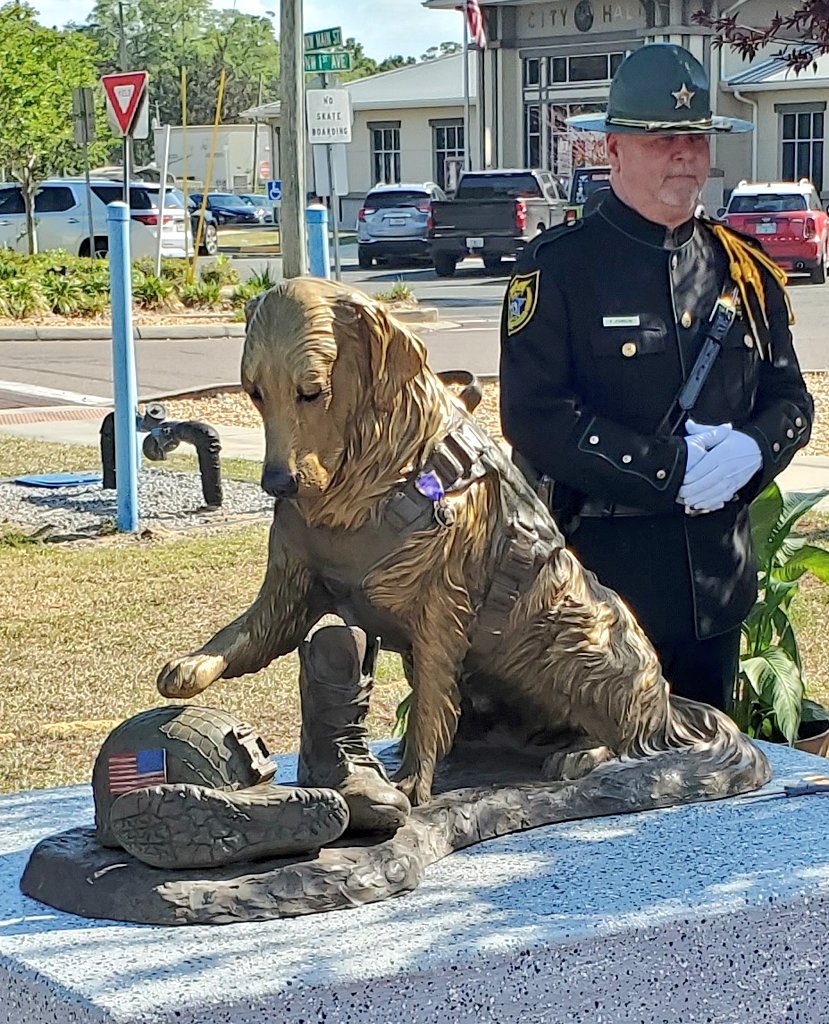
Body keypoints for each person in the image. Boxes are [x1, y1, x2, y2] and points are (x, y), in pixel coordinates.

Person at [499, 43, 814, 712]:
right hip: (603, 594)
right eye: (661, 138)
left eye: (695, 137)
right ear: (611, 150)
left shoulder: (740, 267)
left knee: (711, 787)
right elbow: (535, 416)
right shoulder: (560, 267)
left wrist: (751, 452)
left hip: (714, 592)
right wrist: (667, 471)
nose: (684, 154)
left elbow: (790, 398)